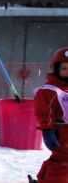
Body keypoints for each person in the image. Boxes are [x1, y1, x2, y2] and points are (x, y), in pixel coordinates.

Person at [35, 47, 68, 183]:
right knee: (62, 160)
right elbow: (44, 110)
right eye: (64, 68)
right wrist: (47, 129)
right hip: (62, 132)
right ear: (55, 69)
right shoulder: (50, 90)